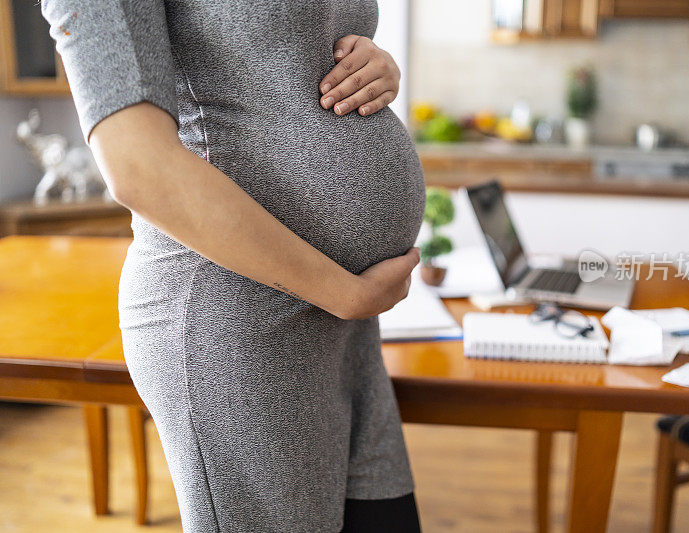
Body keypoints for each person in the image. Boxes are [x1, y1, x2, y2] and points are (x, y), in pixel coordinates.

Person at [41, 1, 426, 531]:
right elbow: (137, 166)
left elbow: (279, 60)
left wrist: (374, 65)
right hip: (237, 321)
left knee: (386, 519)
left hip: (344, 318)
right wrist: (343, 292)